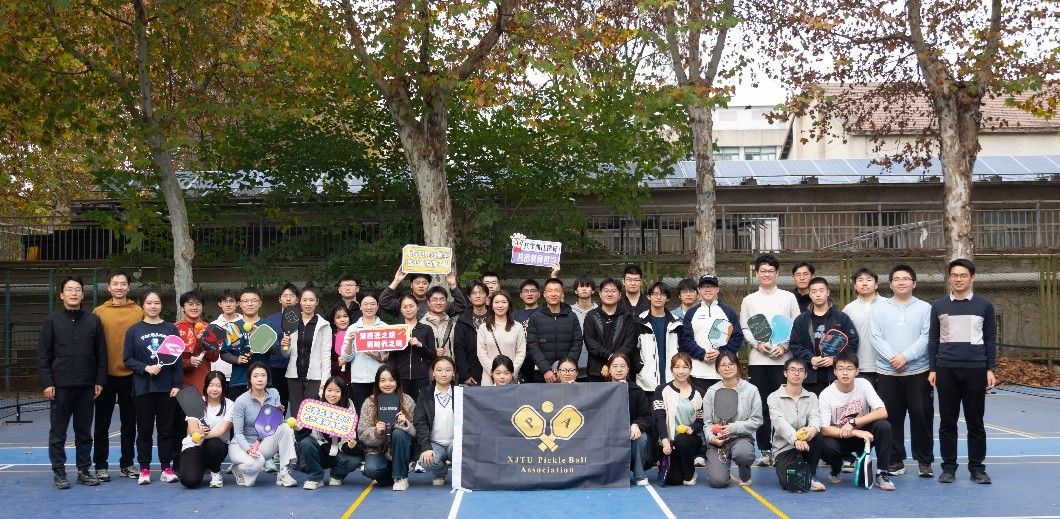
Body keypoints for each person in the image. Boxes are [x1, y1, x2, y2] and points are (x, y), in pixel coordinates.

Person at [929, 258, 996, 485]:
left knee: (975, 422)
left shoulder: (984, 305)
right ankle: (948, 468)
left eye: (963, 275)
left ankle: (977, 469)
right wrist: (933, 368)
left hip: (976, 369)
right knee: (947, 422)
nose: (958, 279)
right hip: (945, 369)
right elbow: (933, 339)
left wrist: (990, 368)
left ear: (972, 278)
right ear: (949, 278)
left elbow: (990, 339)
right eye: (955, 275)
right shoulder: (938, 306)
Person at [39, 276, 106, 489]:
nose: (73, 293)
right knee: (58, 433)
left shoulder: (93, 321)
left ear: (83, 294)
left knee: (84, 433)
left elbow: (101, 354)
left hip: (86, 386)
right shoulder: (51, 321)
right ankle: (59, 472)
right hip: (60, 386)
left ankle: (84, 470)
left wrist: (99, 380)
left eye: (77, 289)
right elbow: (43, 355)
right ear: (61, 295)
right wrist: (47, 383)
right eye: (69, 289)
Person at [871, 264, 934, 477]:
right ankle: (895, 460)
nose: (901, 282)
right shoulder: (879, 308)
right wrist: (893, 358)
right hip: (887, 372)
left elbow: (927, 337)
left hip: (918, 372)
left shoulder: (925, 308)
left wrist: (906, 357)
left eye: (906, 279)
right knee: (891, 419)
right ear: (890, 284)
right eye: (896, 279)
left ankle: (924, 461)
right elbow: (875, 336)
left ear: (914, 283)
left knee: (921, 417)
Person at [740, 254, 801, 467]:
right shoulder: (749, 300)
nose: (767, 274)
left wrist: (784, 346)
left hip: (783, 362)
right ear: (756, 273)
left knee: (784, 406)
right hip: (758, 362)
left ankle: (784, 448)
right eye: (763, 271)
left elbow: (797, 325)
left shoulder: (788, 297)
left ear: (777, 273)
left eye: (770, 271)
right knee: (762, 406)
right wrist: (757, 344)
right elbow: (745, 327)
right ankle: (765, 450)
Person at [124, 290, 183, 485]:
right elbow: (128, 359)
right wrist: (146, 368)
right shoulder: (133, 330)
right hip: (143, 388)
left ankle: (166, 468)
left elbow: (177, 359)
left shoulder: (170, 329)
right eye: (149, 303)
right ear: (143, 305)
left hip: (166, 389)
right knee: (144, 431)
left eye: (156, 303)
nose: (152, 306)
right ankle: (144, 469)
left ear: (161, 305)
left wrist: (177, 384)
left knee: (166, 431)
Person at [92, 270, 143, 481]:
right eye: (115, 283)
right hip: (105, 377)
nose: (119, 287)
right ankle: (100, 465)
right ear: (109, 287)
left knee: (129, 423)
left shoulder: (138, 311)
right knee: (101, 424)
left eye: (123, 283)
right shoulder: (99, 312)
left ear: (129, 287)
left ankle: (127, 463)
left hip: (132, 376)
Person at [818, 353, 895, 491]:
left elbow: (882, 412)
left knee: (884, 426)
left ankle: (882, 473)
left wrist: (854, 422)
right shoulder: (826, 395)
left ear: (857, 371)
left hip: (864, 436)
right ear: (835, 371)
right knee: (824, 444)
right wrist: (854, 432)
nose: (845, 372)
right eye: (841, 369)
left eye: (849, 368)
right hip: (840, 437)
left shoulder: (863, 384)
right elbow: (824, 429)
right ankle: (836, 468)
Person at [228, 362, 297, 487]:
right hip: (241, 445)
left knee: (286, 428)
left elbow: (278, 426)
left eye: (263, 375)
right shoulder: (241, 401)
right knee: (252, 477)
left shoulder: (274, 393)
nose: (260, 379)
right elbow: (238, 433)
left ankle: (284, 473)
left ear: (267, 378)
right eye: (255, 376)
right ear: (250, 379)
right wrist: (248, 449)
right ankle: (238, 468)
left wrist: (279, 414)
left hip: (263, 444)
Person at [789, 277, 860, 395]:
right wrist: (810, 358)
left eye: (821, 290)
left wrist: (835, 359)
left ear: (828, 292)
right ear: (809, 294)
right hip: (809, 376)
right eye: (814, 291)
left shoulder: (841, 317)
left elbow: (852, 342)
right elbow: (795, 345)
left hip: (835, 376)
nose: (818, 294)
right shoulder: (801, 320)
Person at [702, 352, 762, 488]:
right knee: (718, 482)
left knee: (743, 454)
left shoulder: (751, 390)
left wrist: (733, 428)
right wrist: (712, 438)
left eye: (731, 364)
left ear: (737, 366)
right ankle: (721, 469)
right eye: (723, 365)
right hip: (718, 441)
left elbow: (756, 420)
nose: (727, 368)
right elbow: (707, 423)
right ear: (717, 369)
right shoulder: (711, 391)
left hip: (741, 437)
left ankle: (745, 473)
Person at [294, 376, 363, 489]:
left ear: (343, 393)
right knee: (305, 442)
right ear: (324, 390)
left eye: (337, 391)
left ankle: (337, 475)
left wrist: (350, 446)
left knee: (355, 460)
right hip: (317, 451)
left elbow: (348, 438)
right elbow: (301, 437)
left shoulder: (348, 406)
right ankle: (315, 477)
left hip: (337, 451)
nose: (332, 394)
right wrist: (298, 428)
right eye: (329, 390)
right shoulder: (315, 405)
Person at [173, 289, 219, 463]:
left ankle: (202, 462)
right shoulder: (175, 328)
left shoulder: (209, 329)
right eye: (190, 304)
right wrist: (187, 362)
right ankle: (179, 462)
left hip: (202, 385)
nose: (194, 307)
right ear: (183, 306)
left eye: (198, 304)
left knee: (202, 425)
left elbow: (214, 357)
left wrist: (205, 343)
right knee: (179, 426)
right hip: (181, 386)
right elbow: (170, 359)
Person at [767, 358, 826, 492]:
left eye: (800, 370)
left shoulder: (812, 397)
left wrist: (812, 429)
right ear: (785, 373)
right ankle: (802, 475)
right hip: (785, 447)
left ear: (805, 375)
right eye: (792, 370)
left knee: (817, 434)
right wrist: (795, 438)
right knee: (788, 484)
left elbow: (815, 417)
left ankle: (811, 474)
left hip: (806, 443)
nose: (796, 373)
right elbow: (779, 422)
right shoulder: (774, 397)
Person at [679, 275, 744, 395]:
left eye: (711, 286)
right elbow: (686, 340)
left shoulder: (728, 312)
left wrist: (721, 352)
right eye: (704, 286)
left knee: (723, 406)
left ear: (717, 289)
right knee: (700, 406)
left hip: (723, 373)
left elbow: (737, 337)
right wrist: (702, 354)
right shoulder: (691, 313)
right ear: (698, 290)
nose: (708, 289)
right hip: (698, 373)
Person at [358, 366, 417, 491]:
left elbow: (417, 431)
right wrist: (376, 432)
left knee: (399, 433)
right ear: (377, 382)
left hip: (401, 450)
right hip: (378, 451)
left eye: (391, 380)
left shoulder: (407, 401)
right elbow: (361, 434)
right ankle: (393, 473)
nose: (387, 384)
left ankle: (400, 477)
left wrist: (406, 424)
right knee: (371, 470)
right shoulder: (369, 402)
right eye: (383, 380)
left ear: (397, 381)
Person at [280, 284, 332, 419]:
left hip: (315, 378)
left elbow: (326, 355)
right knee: (296, 416)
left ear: (317, 302)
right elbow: (285, 354)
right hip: (294, 376)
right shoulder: (291, 321)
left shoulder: (324, 325)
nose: (308, 303)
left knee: (310, 416)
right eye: (305, 300)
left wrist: (325, 381)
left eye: (311, 300)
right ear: (299, 301)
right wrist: (284, 346)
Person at [653, 353, 704, 486]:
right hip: (669, 442)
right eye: (677, 367)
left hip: (690, 440)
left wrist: (692, 428)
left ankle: (691, 472)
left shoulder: (699, 393)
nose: (681, 371)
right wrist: (665, 442)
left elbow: (701, 421)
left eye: (685, 367)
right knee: (673, 480)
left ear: (690, 369)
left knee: (682, 440)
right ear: (671, 370)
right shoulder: (661, 390)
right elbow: (659, 418)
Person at [176, 371, 233, 489]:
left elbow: (222, 431)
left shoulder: (230, 405)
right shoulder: (196, 401)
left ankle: (215, 471)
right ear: (206, 386)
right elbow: (191, 429)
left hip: (215, 445)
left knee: (215, 444)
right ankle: (200, 466)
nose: (214, 389)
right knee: (189, 481)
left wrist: (204, 434)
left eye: (218, 386)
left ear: (223, 387)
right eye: (211, 385)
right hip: (194, 445)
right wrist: (197, 432)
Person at [525, 278, 583, 383]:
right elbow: (533, 345)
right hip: (542, 373)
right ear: (544, 294)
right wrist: (545, 369)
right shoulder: (535, 317)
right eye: (550, 291)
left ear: (562, 294)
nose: (553, 294)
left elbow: (577, 342)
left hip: (567, 373)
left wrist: (566, 367)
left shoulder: (572, 316)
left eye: (557, 291)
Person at [607, 353, 652, 486]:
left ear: (628, 369)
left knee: (641, 438)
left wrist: (637, 425)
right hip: (608, 433)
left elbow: (646, 416)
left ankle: (639, 474)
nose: (619, 369)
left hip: (629, 434)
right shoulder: (601, 390)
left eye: (623, 366)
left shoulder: (637, 391)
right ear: (609, 369)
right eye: (615, 366)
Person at [584, 278, 640, 382]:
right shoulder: (591, 316)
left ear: (619, 295)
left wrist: (613, 362)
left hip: (621, 372)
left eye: (613, 291)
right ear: (600, 293)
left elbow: (629, 343)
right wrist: (610, 357)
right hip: (596, 371)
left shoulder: (627, 317)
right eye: (606, 291)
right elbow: (590, 342)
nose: (609, 294)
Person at [415, 357, 458, 485]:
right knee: (425, 461)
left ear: (453, 373)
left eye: (448, 370)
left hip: (455, 442)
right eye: (439, 370)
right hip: (435, 443)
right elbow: (420, 422)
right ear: (433, 373)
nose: (443, 374)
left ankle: (460, 475)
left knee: (461, 452)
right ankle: (440, 472)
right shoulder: (425, 394)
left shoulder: (460, 393)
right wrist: (426, 447)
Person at [340, 293, 387, 410]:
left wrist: (379, 356)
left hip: (381, 379)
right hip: (359, 379)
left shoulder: (385, 327)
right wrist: (350, 342)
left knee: (382, 412)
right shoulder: (353, 328)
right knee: (361, 412)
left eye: (372, 304)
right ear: (360, 306)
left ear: (378, 306)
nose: (369, 307)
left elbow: (390, 355)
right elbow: (346, 358)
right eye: (365, 304)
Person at [222, 287, 271, 400]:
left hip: (262, 382)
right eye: (246, 301)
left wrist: (260, 336)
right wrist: (237, 360)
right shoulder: (233, 327)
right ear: (240, 304)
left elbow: (275, 350)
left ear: (260, 303)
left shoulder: (266, 325)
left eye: (254, 300)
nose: (250, 304)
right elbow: (224, 353)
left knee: (263, 412)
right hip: (238, 381)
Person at [389, 293, 437, 401]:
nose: (408, 309)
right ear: (401, 310)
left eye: (411, 306)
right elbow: (392, 357)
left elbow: (433, 356)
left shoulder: (426, 329)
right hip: (401, 377)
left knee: (420, 406)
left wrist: (420, 345)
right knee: (402, 406)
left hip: (421, 377)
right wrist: (393, 375)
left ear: (417, 307)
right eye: (405, 307)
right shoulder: (396, 330)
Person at [635, 281, 680, 392]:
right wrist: (640, 367)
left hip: (672, 380)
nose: (658, 297)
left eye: (662, 294)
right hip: (647, 382)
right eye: (655, 294)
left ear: (667, 298)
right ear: (648, 297)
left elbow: (682, 350)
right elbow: (633, 349)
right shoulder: (639, 322)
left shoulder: (676, 323)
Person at [476, 290, 526, 385]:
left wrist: (510, 373)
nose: (500, 305)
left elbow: (521, 352)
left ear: (509, 305)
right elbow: (481, 353)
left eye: (504, 302)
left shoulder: (517, 327)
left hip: (511, 378)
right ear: (491, 306)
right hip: (489, 378)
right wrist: (495, 373)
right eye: (496, 302)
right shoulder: (484, 327)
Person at [379, 268, 467, 320]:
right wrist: (396, 281)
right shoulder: (404, 304)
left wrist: (452, 284)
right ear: (411, 285)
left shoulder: (436, 303)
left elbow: (461, 305)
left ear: (428, 285)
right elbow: (383, 301)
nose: (421, 286)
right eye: (417, 283)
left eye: (424, 283)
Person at [843, 267, 881, 387]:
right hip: (859, 366)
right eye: (860, 280)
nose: (864, 283)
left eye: (869, 280)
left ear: (876, 285)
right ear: (855, 286)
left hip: (886, 366)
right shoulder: (848, 309)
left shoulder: (888, 304)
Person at [264, 283, 300, 410]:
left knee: (297, 403)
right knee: (278, 404)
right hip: (276, 367)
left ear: (297, 299)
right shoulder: (270, 320)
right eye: (285, 296)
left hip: (297, 367)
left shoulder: (304, 319)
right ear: (280, 299)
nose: (288, 299)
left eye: (292, 296)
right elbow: (268, 344)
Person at [453, 282, 489, 386]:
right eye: (474, 293)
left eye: (481, 292)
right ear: (469, 297)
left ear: (486, 296)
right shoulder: (462, 320)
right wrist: (465, 374)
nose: (478, 296)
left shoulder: (495, 317)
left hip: (494, 369)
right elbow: (459, 349)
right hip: (471, 372)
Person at [209, 289, 242, 382]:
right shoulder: (213, 325)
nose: (228, 304)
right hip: (218, 376)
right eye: (225, 301)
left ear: (237, 303)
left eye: (231, 301)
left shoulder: (244, 323)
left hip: (240, 374)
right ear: (220, 304)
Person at [570, 276, 598, 380]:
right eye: (581, 286)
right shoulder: (569, 311)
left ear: (593, 290)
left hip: (595, 365)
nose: (584, 289)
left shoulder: (600, 311)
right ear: (575, 291)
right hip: (573, 365)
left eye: (587, 286)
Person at [327, 304, 353, 383]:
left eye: (345, 316)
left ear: (349, 318)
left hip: (356, 379)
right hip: (338, 381)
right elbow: (325, 364)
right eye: (338, 317)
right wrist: (338, 363)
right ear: (334, 321)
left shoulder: (356, 336)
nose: (342, 320)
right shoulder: (330, 339)